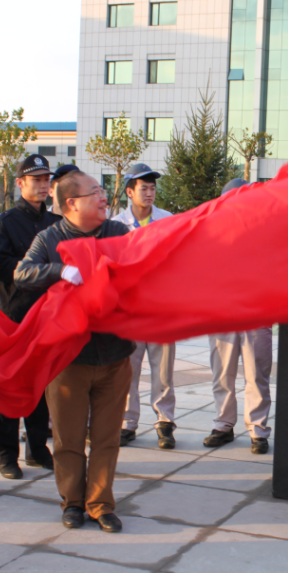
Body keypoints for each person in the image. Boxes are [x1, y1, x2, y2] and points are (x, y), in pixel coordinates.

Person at [15, 170, 134, 532]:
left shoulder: (117, 232)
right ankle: (72, 502)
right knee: (68, 439)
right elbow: (22, 273)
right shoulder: (49, 238)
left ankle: (101, 504)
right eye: (95, 192)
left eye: (102, 190)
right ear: (72, 203)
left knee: (106, 438)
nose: (103, 197)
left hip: (115, 354)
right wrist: (59, 272)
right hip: (68, 360)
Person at [0, 155, 60, 479]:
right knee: (9, 385)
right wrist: (38, 269)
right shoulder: (5, 222)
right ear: (20, 183)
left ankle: (37, 448)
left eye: (46, 180)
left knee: (41, 384)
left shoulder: (55, 222)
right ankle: (5, 455)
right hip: (15, 317)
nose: (43, 185)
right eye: (36, 179)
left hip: (47, 316)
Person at [112, 163, 178, 450]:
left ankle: (165, 421)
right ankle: (128, 422)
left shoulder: (167, 220)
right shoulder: (116, 225)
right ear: (130, 192)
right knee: (129, 368)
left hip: (161, 308)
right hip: (131, 309)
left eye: (152, 188)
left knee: (163, 369)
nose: (149, 193)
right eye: (143, 188)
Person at [205, 179, 273, 455]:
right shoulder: (212, 233)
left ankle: (258, 429)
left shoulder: (266, 231)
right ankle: (223, 424)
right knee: (222, 373)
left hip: (256, 313)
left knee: (257, 374)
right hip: (221, 314)